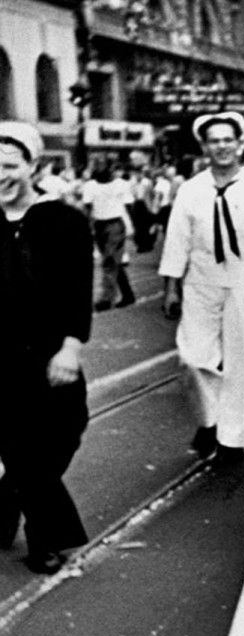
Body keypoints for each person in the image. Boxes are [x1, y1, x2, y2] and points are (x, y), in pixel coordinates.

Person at [158, 112, 244, 464]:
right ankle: (209, 420)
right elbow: (176, 241)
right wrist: (171, 287)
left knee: (240, 360)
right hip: (200, 280)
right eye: (214, 141)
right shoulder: (191, 190)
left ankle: (232, 441)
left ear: (240, 143)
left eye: (228, 140)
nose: (222, 147)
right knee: (192, 357)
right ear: (205, 146)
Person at [0, 122, 92, 574]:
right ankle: (47, 540)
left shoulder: (64, 221)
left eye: (9, 165)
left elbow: (78, 290)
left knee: (63, 433)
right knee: (20, 449)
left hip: (50, 353)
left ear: (32, 167)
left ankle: (6, 500)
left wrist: (71, 347)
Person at [81, 160, 136, 310]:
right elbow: (87, 207)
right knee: (112, 261)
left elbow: (129, 205)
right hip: (99, 225)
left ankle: (106, 299)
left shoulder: (121, 184)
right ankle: (128, 294)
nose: (99, 170)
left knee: (109, 261)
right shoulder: (90, 186)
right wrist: (86, 227)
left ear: (110, 169)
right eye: (96, 167)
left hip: (115, 225)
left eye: (102, 167)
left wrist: (128, 225)